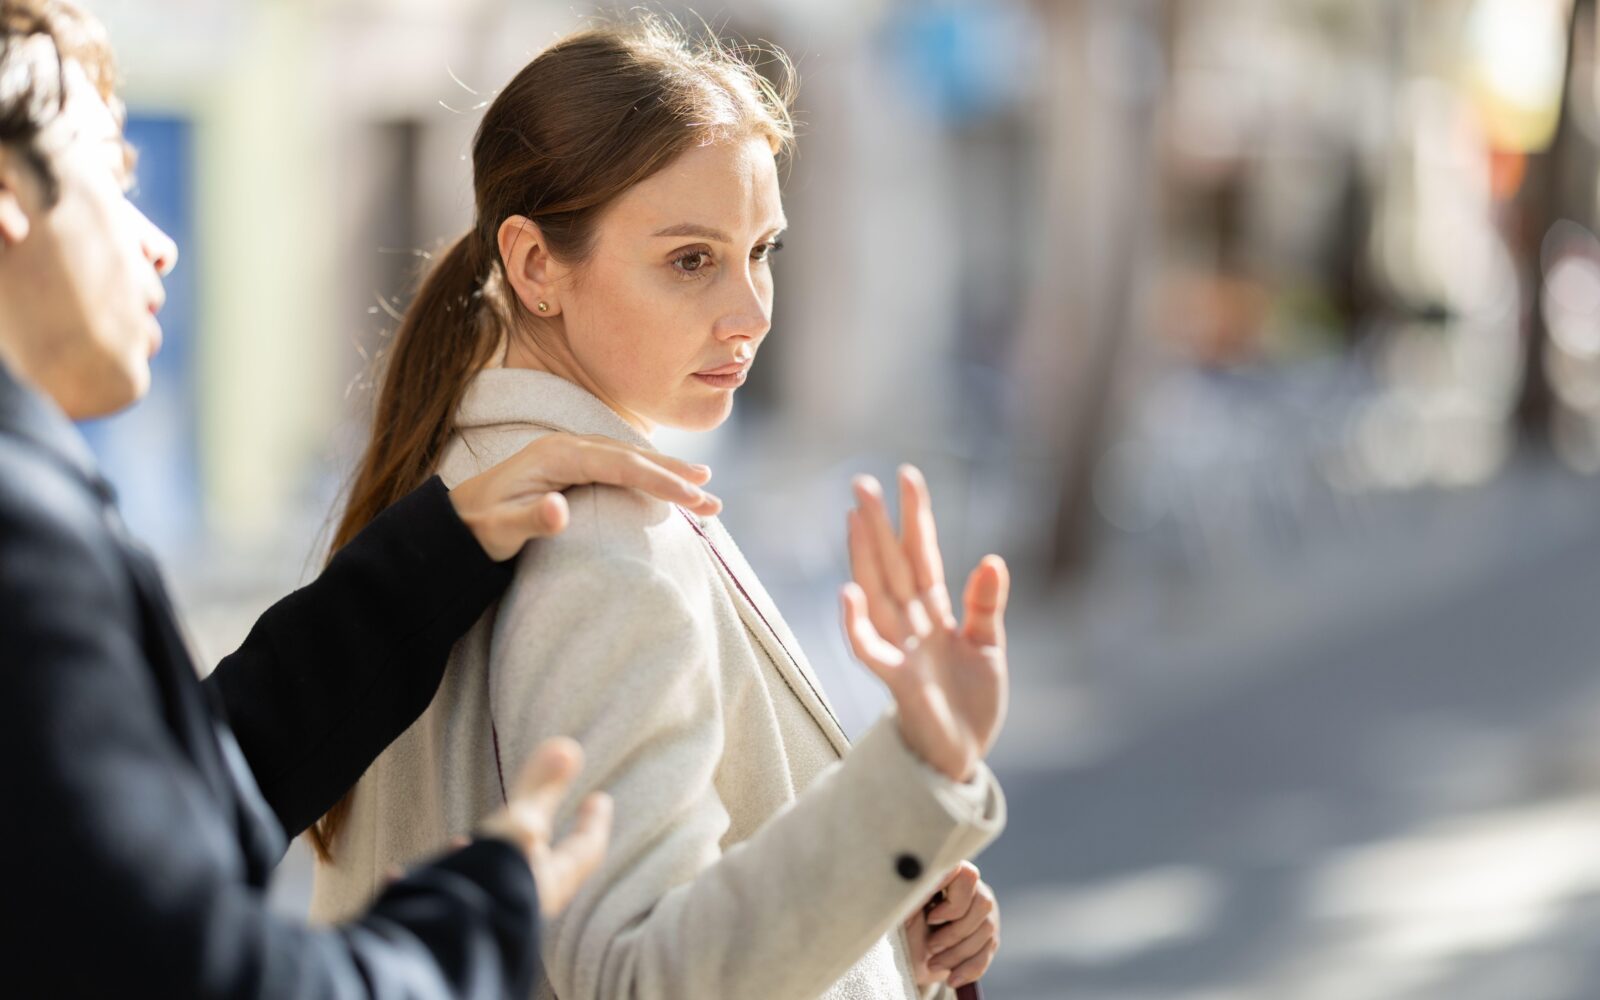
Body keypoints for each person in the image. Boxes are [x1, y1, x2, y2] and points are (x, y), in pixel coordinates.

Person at [0, 2, 727, 996]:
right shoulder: (24, 530)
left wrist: (434, 553)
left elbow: (167, 799)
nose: (157, 241)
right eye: (110, 176)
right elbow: (184, 966)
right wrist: (474, 915)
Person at [311, 19, 1010, 1000]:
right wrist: (915, 775)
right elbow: (640, 975)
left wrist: (886, 922)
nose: (751, 310)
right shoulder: (603, 544)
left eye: (761, 250)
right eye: (690, 259)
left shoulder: (454, 488)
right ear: (535, 265)